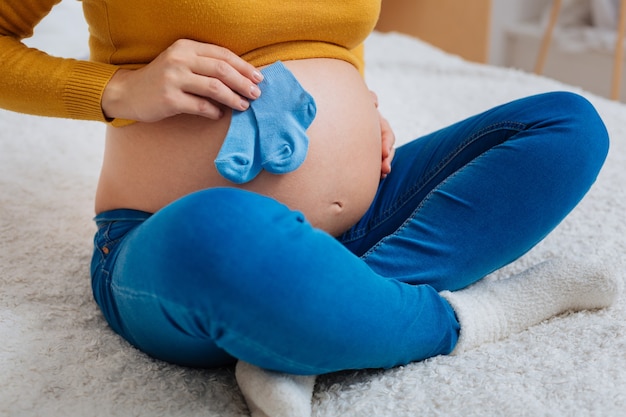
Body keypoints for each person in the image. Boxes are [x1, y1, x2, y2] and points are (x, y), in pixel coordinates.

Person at [0, 1, 620, 416]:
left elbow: (330, 37)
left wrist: (355, 101)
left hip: (364, 217)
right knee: (222, 231)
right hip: (169, 241)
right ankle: (467, 318)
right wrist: (115, 89)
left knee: (566, 128)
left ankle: (308, 326)